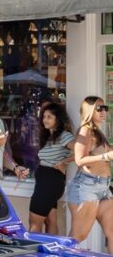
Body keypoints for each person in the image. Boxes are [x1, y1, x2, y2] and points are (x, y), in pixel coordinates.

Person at [66, 96, 113, 249]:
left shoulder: (98, 132)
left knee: (112, 232)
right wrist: (105, 156)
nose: (103, 111)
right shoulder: (85, 130)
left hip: (103, 188)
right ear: (90, 110)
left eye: (105, 108)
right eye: (99, 109)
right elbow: (79, 160)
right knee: (78, 236)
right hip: (87, 187)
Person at [29, 101, 74, 234]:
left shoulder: (64, 135)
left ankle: (33, 248)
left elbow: (82, 151)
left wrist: (64, 162)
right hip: (47, 183)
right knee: (50, 221)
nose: (45, 120)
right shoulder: (49, 136)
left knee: (34, 223)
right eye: (44, 116)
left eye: (49, 117)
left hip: (49, 183)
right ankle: (53, 248)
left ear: (58, 119)